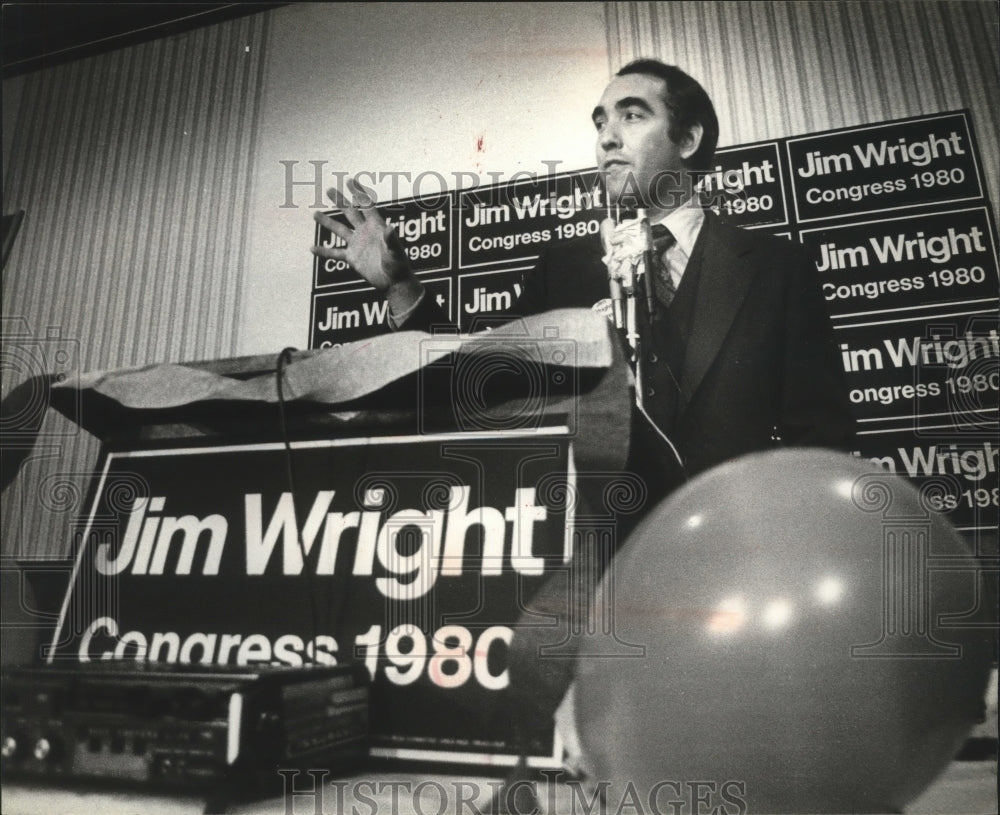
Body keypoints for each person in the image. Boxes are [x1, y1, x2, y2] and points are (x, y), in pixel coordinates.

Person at [311, 58, 855, 785]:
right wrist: (404, 288)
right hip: (590, 591)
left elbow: (826, 442)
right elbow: (479, 384)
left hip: (736, 591)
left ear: (689, 137)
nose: (606, 136)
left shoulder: (777, 269)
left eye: (631, 114)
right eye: (598, 122)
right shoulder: (565, 268)